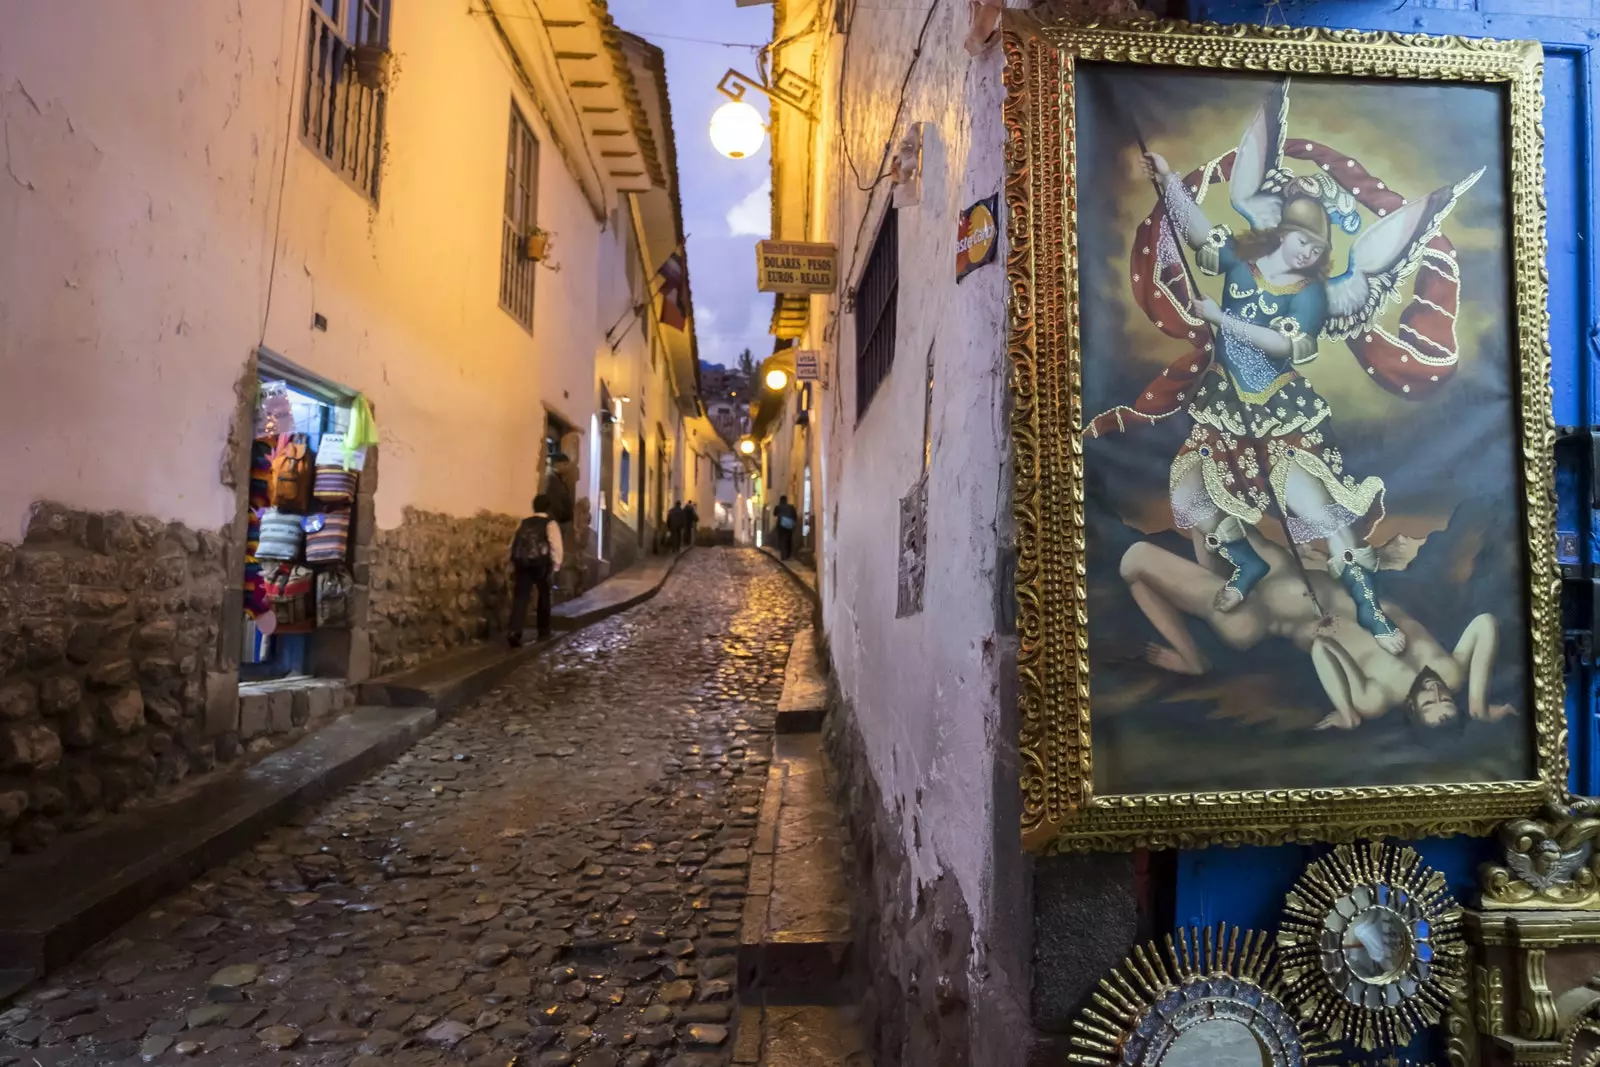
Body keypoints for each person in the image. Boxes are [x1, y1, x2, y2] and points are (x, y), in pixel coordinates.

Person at [1089, 81, 1482, 659]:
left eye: (1315, 247)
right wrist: (1170, 182)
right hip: (1225, 408)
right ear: (1280, 232)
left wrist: (1224, 320)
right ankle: (1243, 562)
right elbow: (1196, 231)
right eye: (1300, 239)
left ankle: (1368, 608)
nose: (1305, 252)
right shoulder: (1243, 268)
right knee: (1195, 492)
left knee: (1316, 510)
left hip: (1280, 417)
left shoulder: (1315, 295)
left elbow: (1279, 341)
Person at [1117, 536, 1515, 731]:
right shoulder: (1451, 672)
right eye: (1446, 701)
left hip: (1259, 612)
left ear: (1412, 710)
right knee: (1208, 507)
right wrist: (1478, 705)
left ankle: (1192, 659)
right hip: (1297, 574)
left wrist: (1345, 713)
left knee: (1135, 560)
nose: (1435, 693)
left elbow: (1323, 649)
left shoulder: (1376, 699)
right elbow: (1484, 624)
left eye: (1429, 704)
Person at [508, 494, 563, 647]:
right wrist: (556, 566)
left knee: (521, 597)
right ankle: (544, 630)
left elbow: (514, 542)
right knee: (543, 595)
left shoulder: (524, 523)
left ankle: (514, 630)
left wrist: (513, 561)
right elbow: (555, 546)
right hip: (541, 564)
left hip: (523, 563)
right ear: (548, 508)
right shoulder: (550, 524)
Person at [773, 495, 798, 560]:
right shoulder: (791, 507)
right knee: (789, 540)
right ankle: (788, 555)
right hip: (789, 526)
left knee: (781, 540)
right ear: (786, 500)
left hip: (780, 526)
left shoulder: (777, 507)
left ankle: (782, 555)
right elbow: (795, 516)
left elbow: (775, 514)